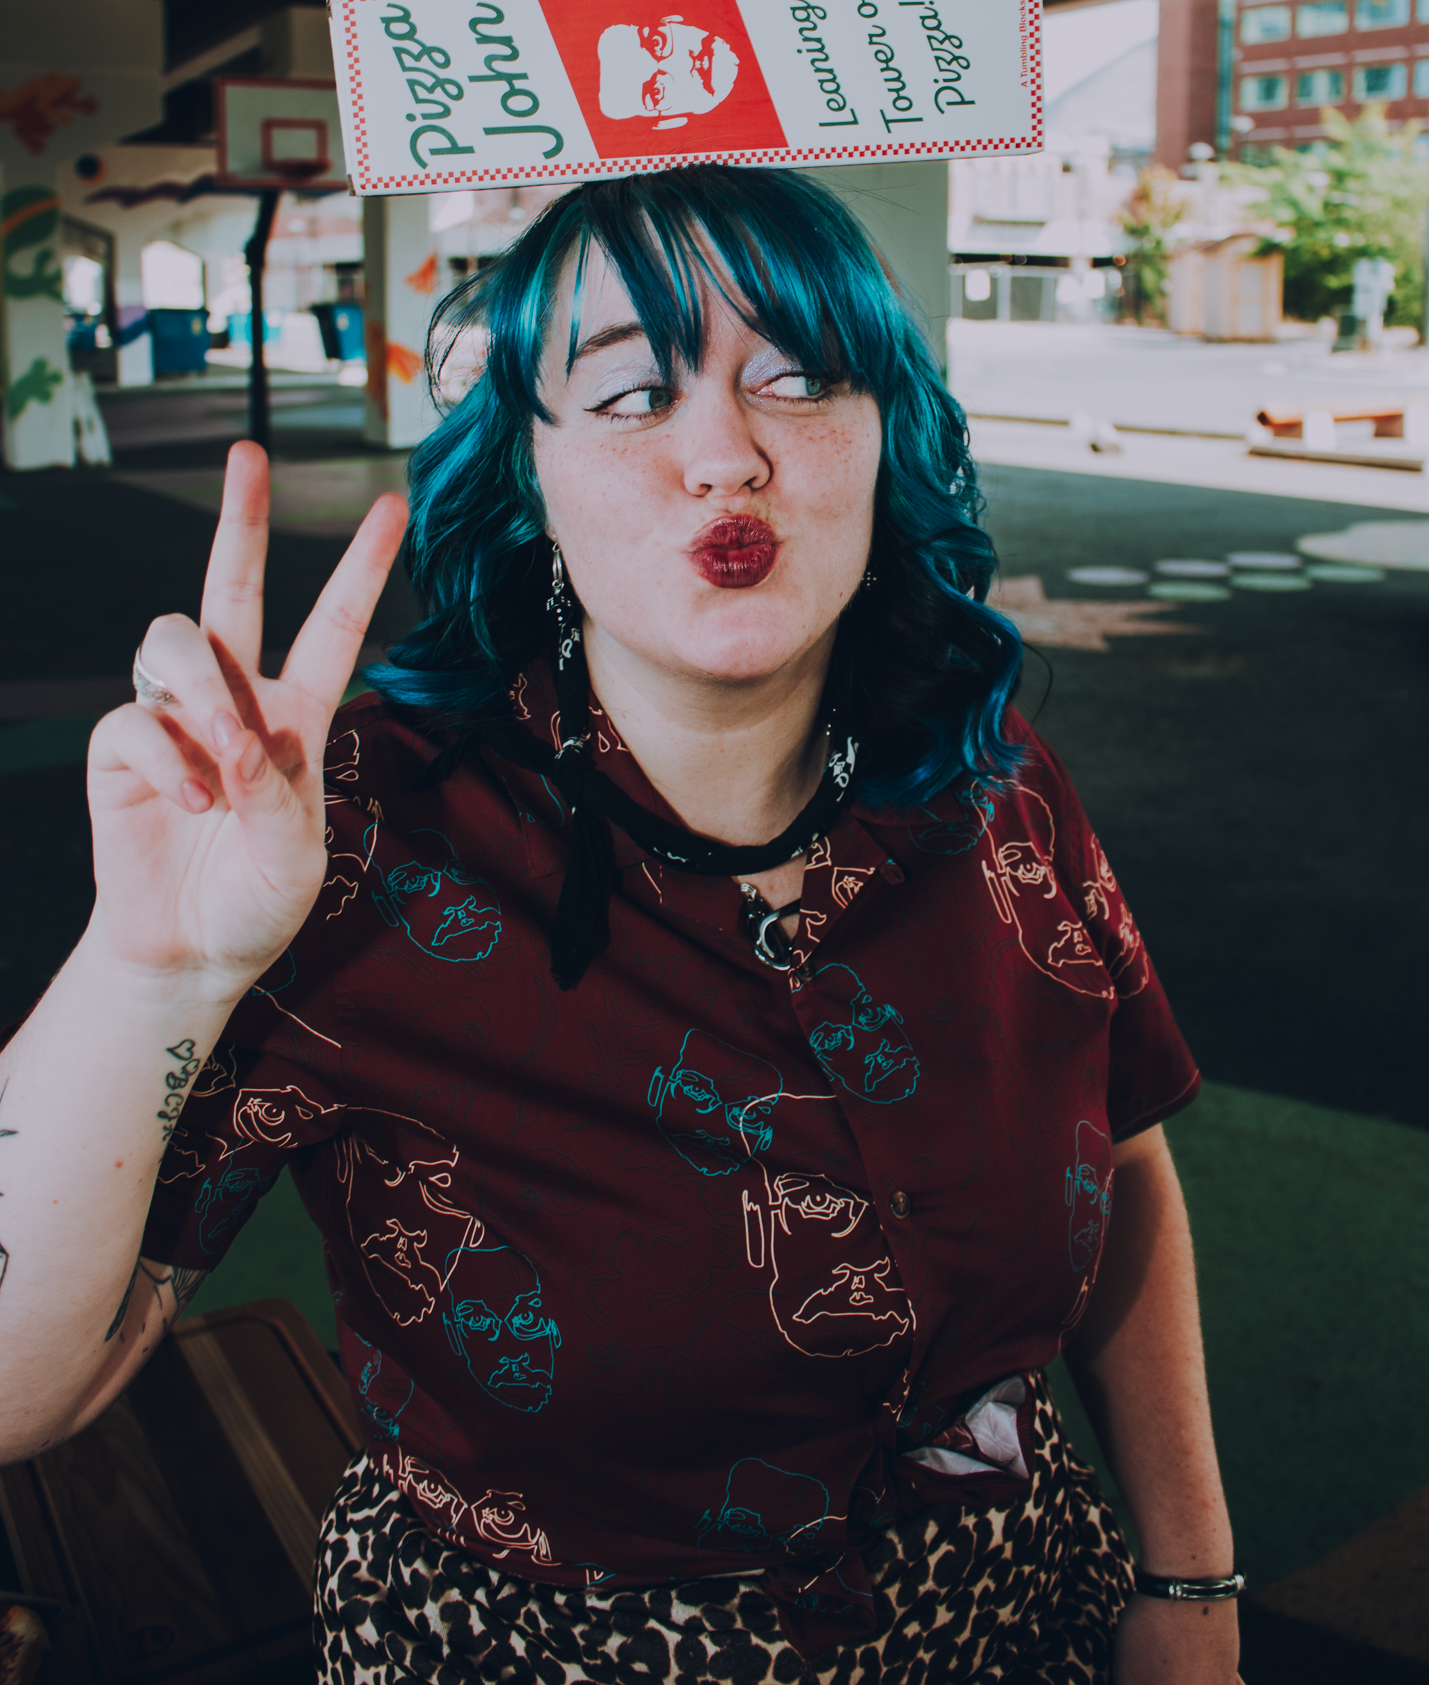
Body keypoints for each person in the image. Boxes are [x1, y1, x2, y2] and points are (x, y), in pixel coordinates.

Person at [0, 166, 1243, 1684]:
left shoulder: (988, 779)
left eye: (798, 378)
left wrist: (1191, 1584)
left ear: (887, 433)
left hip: (1012, 1610)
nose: (725, 457)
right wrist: (156, 972)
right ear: (529, 475)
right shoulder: (354, 836)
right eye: (633, 395)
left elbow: (1126, 1154)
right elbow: (18, 1393)